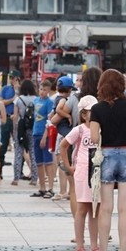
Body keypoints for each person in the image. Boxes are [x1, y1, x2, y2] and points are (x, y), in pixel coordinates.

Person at [90, 69, 126, 251]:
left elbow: (95, 138)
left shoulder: (97, 109)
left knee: (105, 208)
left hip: (107, 155)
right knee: (124, 208)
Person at [62, 95, 100, 251]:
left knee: (95, 210)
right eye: (92, 111)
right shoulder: (79, 130)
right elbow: (63, 146)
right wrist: (69, 166)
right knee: (83, 208)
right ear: (84, 114)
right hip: (83, 171)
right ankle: (79, 245)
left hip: (97, 172)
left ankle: (94, 245)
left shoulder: (100, 129)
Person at [50, 76, 75, 204]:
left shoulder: (56, 98)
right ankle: (69, 190)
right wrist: (68, 115)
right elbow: (59, 110)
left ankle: (65, 190)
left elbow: (52, 116)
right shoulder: (63, 100)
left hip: (61, 130)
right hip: (64, 130)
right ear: (69, 89)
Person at [31, 80, 56, 198]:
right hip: (35, 132)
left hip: (44, 134)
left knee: (48, 162)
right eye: (41, 89)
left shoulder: (49, 103)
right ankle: (42, 187)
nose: (42, 92)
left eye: (45, 90)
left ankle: (50, 187)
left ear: (49, 91)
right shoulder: (35, 101)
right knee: (39, 162)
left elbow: (49, 120)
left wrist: (45, 136)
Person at [12, 79, 38, 187]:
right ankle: (34, 178)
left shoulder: (18, 99)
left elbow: (15, 116)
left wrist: (15, 130)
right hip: (33, 127)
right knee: (33, 153)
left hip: (21, 127)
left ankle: (16, 178)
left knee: (18, 152)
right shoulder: (36, 99)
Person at [0, 70, 21, 175]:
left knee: (19, 144)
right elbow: (1, 102)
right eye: (10, 77)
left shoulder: (22, 89)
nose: (11, 80)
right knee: (3, 143)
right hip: (7, 117)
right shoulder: (5, 89)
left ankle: (19, 170)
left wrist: (17, 91)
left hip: (18, 118)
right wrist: (13, 99)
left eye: (13, 78)